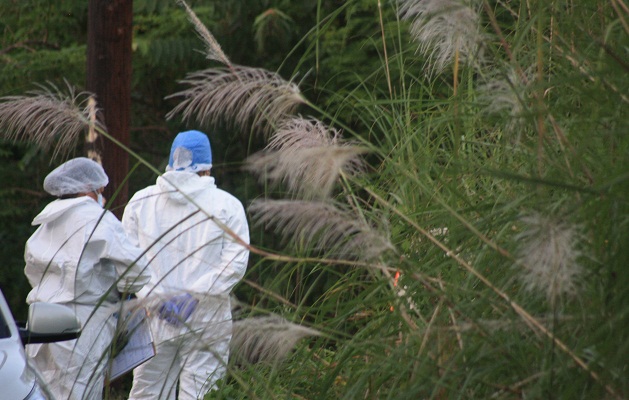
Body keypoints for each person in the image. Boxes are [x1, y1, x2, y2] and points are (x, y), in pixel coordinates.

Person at [122, 130, 250, 400]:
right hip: (207, 319)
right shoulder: (227, 205)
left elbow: (128, 262)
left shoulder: (140, 202)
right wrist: (194, 296)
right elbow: (235, 263)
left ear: (170, 162)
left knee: (148, 393)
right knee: (201, 393)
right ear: (208, 167)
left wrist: (154, 299)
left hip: (154, 319)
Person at [23, 157, 151, 400]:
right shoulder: (95, 218)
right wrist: (121, 292)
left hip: (40, 321)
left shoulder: (45, 224)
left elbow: (32, 271)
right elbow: (139, 269)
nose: (101, 194)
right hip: (82, 322)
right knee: (81, 392)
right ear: (86, 189)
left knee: (43, 392)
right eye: (99, 189)